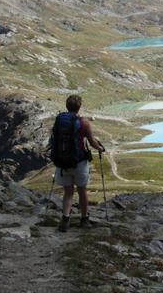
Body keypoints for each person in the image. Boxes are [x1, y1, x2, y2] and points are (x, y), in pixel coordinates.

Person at [54, 94, 105, 232]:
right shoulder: (83, 123)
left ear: (67, 105)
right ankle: (84, 219)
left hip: (62, 162)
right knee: (82, 191)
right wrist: (100, 148)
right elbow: (92, 142)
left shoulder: (59, 120)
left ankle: (65, 219)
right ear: (79, 107)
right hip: (79, 162)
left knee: (68, 192)